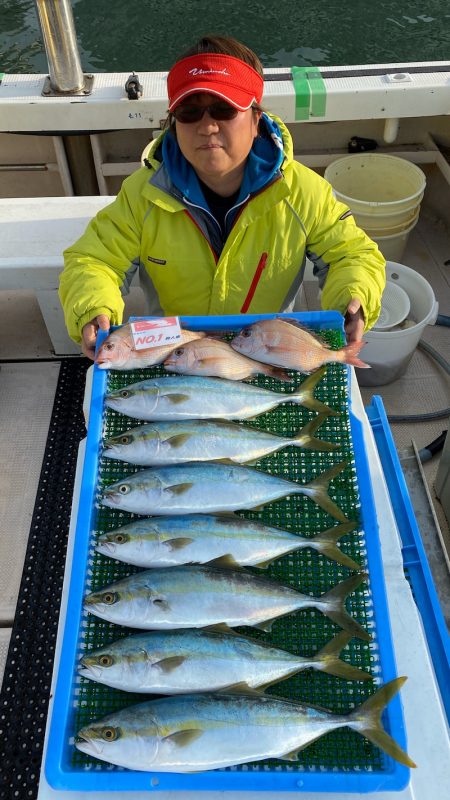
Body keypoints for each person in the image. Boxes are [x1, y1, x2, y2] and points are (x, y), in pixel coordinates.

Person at [59, 34, 386, 360]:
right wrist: (92, 307)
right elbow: (96, 260)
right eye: (190, 111)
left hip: (269, 348)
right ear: (174, 123)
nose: (207, 126)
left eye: (224, 109)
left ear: (256, 119)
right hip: (173, 350)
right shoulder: (142, 195)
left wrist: (353, 296)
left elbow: (350, 255)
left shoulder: (304, 192)